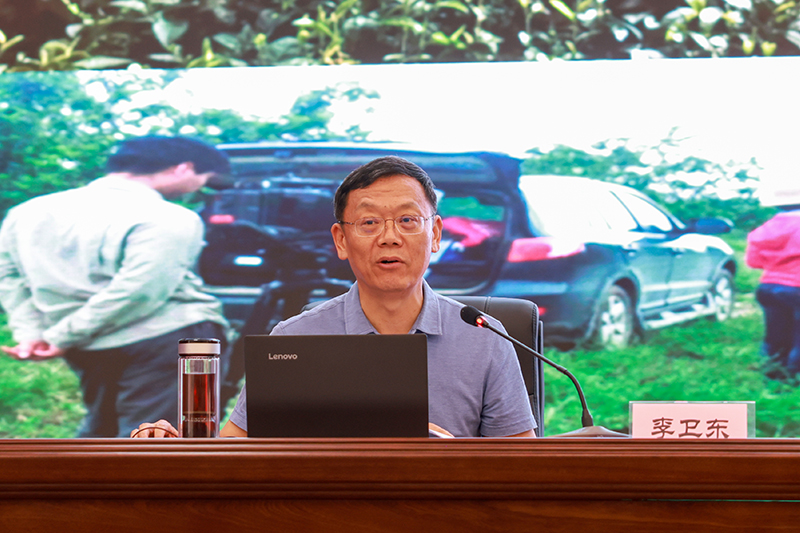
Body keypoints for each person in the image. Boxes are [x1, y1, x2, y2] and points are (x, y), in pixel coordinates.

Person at [133, 155, 536, 439]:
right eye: (369, 222)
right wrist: (175, 446)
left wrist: (449, 456)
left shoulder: (485, 336)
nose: (390, 237)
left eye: (408, 220)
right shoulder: (294, 337)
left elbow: (520, 469)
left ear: (435, 235)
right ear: (341, 240)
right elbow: (234, 456)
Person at [0, 135, 231, 437]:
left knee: (103, 433)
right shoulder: (171, 217)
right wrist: (62, 336)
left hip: (87, 345)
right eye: (205, 179)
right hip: (175, 340)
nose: (202, 188)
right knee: (177, 440)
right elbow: (141, 291)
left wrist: (33, 333)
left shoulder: (26, 213)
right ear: (183, 168)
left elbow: (10, 278)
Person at [746, 204, 800, 378]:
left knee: (775, 336)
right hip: (797, 286)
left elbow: (753, 262)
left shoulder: (764, 229)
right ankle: (793, 378)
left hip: (768, 286)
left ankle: (771, 375)